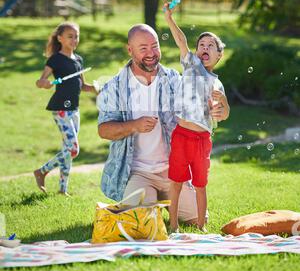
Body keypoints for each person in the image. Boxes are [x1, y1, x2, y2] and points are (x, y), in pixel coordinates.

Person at [97, 23, 227, 225]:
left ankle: (163, 202)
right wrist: (134, 125)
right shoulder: (115, 86)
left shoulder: (174, 79)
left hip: (173, 170)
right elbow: (103, 130)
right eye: (143, 48)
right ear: (130, 50)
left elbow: (197, 105)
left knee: (197, 219)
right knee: (142, 223)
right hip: (140, 173)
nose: (151, 53)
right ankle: (148, 201)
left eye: (155, 46)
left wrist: (213, 110)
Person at [163, 3, 230, 231]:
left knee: (201, 185)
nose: (205, 47)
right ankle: (173, 225)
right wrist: (170, 18)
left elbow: (224, 114)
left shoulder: (217, 83)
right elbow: (181, 40)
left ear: (219, 55)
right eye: (201, 44)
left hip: (202, 140)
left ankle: (201, 226)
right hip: (182, 134)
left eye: (211, 45)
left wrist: (224, 104)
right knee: (176, 183)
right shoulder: (191, 65)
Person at [34, 22, 96, 196]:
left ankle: (63, 190)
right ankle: (42, 171)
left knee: (67, 149)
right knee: (73, 149)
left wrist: (98, 89)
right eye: (70, 36)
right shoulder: (55, 59)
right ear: (60, 38)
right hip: (60, 108)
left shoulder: (79, 60)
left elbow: (83, 85)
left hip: (74, 110)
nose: (74, 39)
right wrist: (44, 83)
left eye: (76, 36)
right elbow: (41, 81)